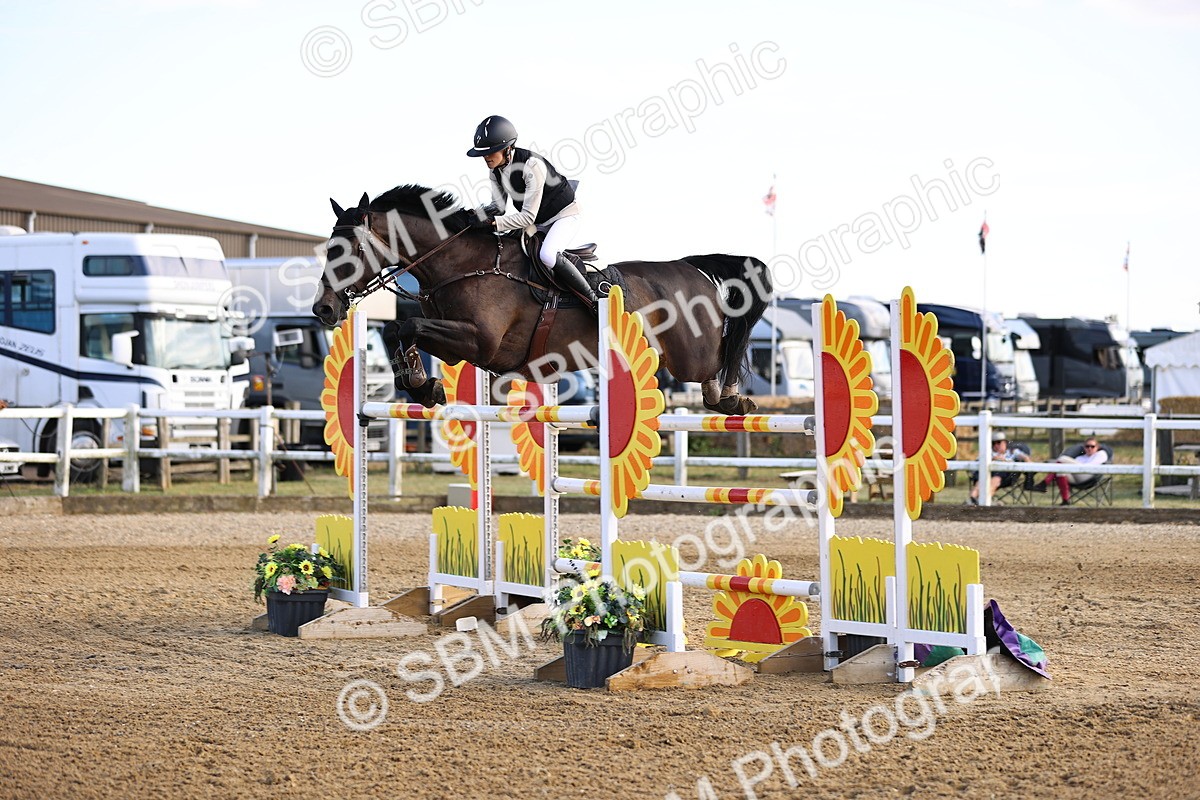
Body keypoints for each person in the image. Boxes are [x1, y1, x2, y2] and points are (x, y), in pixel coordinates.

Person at [464, 115, 597, 314]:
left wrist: (491, 223)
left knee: (547, 255)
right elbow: (498, 208)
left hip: (564, 215)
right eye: (483, 153)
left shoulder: (531, 165)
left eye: (491, 152)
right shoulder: (495, 171)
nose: (486, 157)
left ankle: (594, 301)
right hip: (540, 221)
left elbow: (527, 218)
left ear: (508, 148)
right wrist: (474, 216)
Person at [1035, 437, 1108, 505]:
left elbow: (1090, 466)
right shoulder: (1080, 458)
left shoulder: (1101, 454)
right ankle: (1065, 501)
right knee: (1060, 470)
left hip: (1090, 476)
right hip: (1076, 478)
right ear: (1084, 447)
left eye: (1092, 446)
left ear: (1097, 447)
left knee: (1063, 458)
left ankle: (1044, 483)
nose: (1089, 448)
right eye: (1087, 446)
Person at [968, 431, 1030, 505]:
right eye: (993, 443)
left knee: (997, 477)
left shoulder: (1012, 452)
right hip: (987, 473)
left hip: (1007, 476)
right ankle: (973, 499)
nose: (996, 445)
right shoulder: (988, 452)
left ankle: (980, 500)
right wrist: (992, 459)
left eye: (998, 442)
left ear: (1005, 443)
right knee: (982, 476)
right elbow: (977, 462)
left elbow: (1026, 458)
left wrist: (1006, 460)